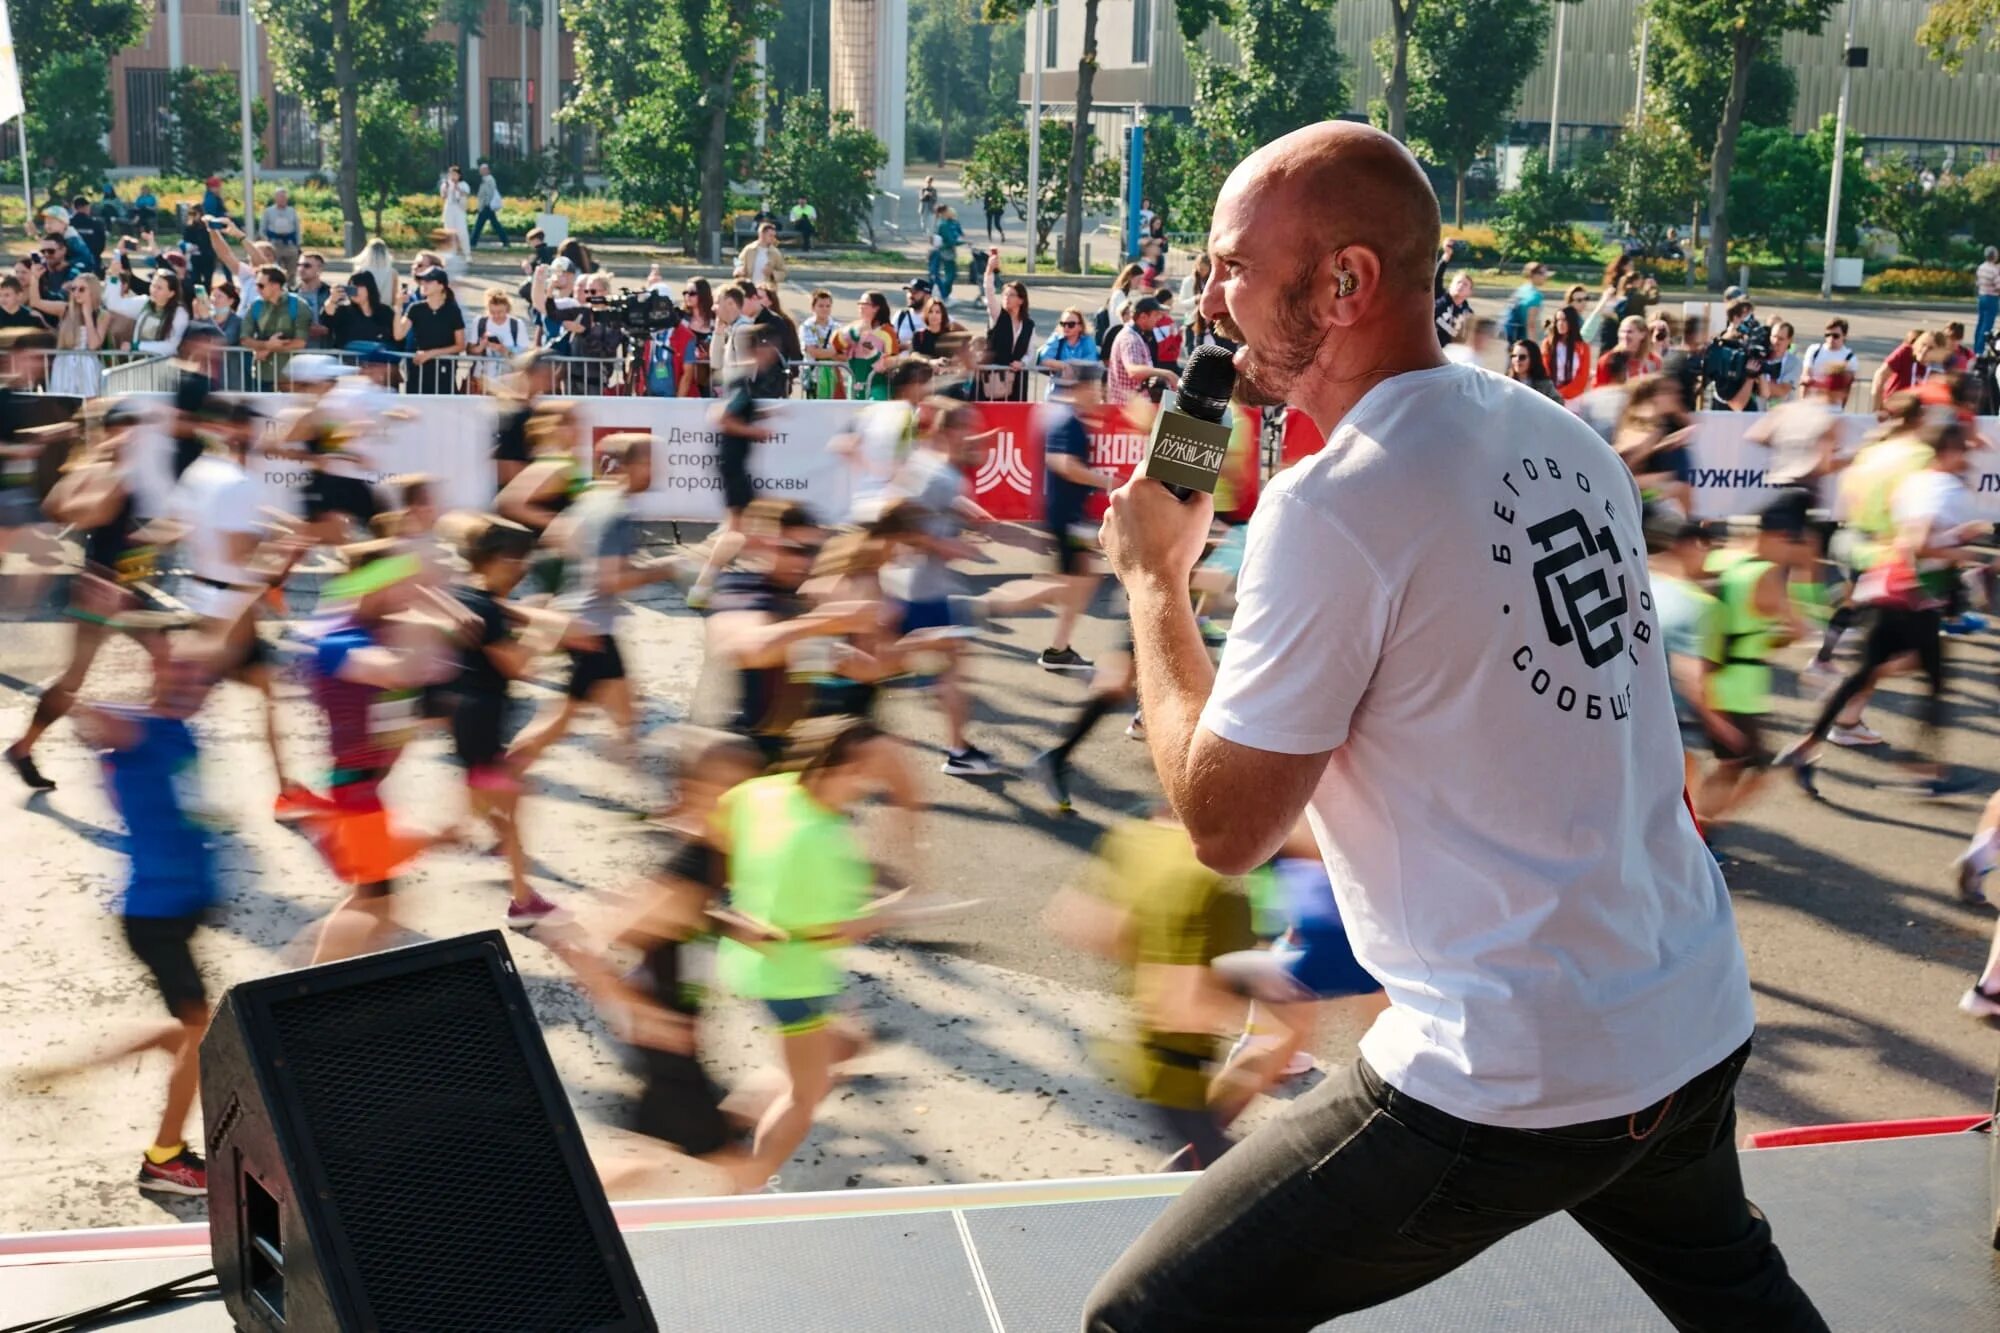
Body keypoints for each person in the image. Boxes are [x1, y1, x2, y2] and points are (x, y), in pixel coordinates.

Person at [1086, 120, 1824, 1333]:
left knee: (1140, 1322)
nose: (1207, 298)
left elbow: (1223, 825)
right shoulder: (1555, 432)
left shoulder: (1333, 508)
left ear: (1345, 282)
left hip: (1507, 1069)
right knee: (1738, 1297)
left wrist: (1152, 582)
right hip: (1684, 1006)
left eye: (1230, 265)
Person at [57, 626, 226, 1196]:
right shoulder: (136, 729)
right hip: (152, 916)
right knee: (198, 1036)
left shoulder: (181, 733)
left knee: (192, 1030)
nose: (192, 684)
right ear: (156, 674)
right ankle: (165, 1158)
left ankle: (150, 1111)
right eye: (180, 672)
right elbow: (73, 705)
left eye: (201, 677)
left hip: (178, 908)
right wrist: (92, 623)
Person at [717, 717, 914, 1186]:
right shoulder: (825, 842)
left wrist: (742, 893)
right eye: (865, 773)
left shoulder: (767, 791)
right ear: (837, 768)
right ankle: (747, 1185)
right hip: (795, 981)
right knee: (807, 1093)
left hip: (749, 961)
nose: (869, 786)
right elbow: (837, 932)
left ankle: (720, 1128)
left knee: (846, 1044)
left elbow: (721, 822)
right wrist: (900, 909)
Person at [1047, 807, 1258, 1170]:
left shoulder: (1136, 836)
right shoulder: (1206, 878)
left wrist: (1148, 950)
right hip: (1179, 1077)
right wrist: (1266, 991)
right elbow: (1178, 1008)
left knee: (1213, 1168)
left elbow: (1078, 921)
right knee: (1236, 1181)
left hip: (1138, 1059)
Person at [1780, 420, 1980, 801]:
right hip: (1910, 596)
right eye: (1964, 450)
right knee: (1933, 679)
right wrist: (1962, 551)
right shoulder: (1942, 488)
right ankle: (1925, 771)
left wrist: (1956, 537)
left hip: (1890, 586)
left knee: (1870, 674)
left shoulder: (1916, 483)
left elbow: (1908, 535)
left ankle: (1804, 748)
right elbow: (1917, 544)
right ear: (1950, 452)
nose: (1968, 457)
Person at [507, 435, 683, 774]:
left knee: (627, 713)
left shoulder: (590, 499)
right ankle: (498, 774)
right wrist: (667, 568)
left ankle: (637, 781)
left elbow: (557, 541)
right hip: (591, 630)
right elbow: (611, 580)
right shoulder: (616, 510)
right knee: (560, 721)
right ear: (630, 466)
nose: (657, 469)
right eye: (650, 461)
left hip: (585, 623)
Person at [1696, 494, 1815, 828]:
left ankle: (1697, 831)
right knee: (1755, 771)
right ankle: (1700, 833)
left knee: (1727, 765)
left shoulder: (1725, 559)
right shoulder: (1766, 576)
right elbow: (1797, 630)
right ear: (1779, 537)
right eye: (1793, 542)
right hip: (1738, 689)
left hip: (1706, 675)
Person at [1039, 364, 1115, 673]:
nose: (1100, 395)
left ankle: (1059, 648)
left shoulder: (1074, 420)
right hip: (1066, 518)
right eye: (1096, 389)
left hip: (1072, 516)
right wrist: (1106, 482)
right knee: (1073, 582)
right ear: (1082, 388)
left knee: (1081, 579)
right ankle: (988, 607)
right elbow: (1062, 464)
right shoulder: (1067, 422)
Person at [394, 266, 466, 394]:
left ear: (441, 286)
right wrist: (398, 306)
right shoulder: (415, 308)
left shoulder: (452, 310)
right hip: (418, 371)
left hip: (444, 372)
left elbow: (460, 345)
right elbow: (399, 335)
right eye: (422, 281)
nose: (423, 284)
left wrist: (430, 353)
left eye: (429, 281)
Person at [240, 264, 312, 390]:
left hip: (292, 377)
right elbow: (244, 338)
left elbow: (300, 342)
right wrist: (266, 345)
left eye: (261, 285)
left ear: (275, 285)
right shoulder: (255, 306)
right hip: (262, 375)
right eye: (256, 285)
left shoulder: (299, 305)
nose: (257, 289)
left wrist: (269, 349)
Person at [1106, 297, 1179, 406]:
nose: (1159, 318)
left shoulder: (1135, 334)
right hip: (1128, 409)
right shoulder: (1130, 339)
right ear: (1143, 316)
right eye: (1156, 315)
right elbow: (1133, 371)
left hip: (1133, 408)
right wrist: (1168, 374)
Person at [982, 266, 1036, 401]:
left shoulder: (1029, 325)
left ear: (1021, 300)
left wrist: (1022, 363)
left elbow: (1031, 352)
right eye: (1005, 294)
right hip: (993, 380)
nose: (1006, 298)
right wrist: (989, 271)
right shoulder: (998, 316)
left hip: (1017, 381)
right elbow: (989, 294)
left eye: (1011, 295)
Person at [50, 272, 107, 396]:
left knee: (89, 405)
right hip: (63, 365)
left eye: (82, 289)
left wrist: (87, 315)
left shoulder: (102, 314)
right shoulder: (67, 310)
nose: (76, 293)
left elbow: (93, 345)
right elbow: (36, 302)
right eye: (73, 288)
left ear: (92, 291)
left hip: (88, 365)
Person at [835, 292, 900, 400]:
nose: (860, 306)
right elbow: (836, 346)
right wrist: (851, 334)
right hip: (856, 383)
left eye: (864, 303)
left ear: (875, 308)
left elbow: (892, 359)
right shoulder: (853, 327)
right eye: (859, 303)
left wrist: (874, 354)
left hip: (877, 384)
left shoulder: (887, 332)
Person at [323, 270, 395, 351]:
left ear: (369, 288)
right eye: (352, 287)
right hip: (347, 360)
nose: (355, 290)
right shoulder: (343, 310)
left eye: (359, 286)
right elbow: (327, 317)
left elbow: (396, 338)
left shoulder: (385, 312)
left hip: (378, 360)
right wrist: (332, 300)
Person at [1872, 328, 1939, 412]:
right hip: (1892, 414)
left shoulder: (1938, 367)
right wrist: (1877, 409)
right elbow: (1880, 376)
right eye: (1923, 345)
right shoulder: (1906, 352)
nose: (1925, 350)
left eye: (1931, 348)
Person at [799, 288, 843, 399]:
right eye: (821, 306)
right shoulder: (807, 327)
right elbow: (813, 352)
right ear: (813, 307)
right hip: (813, 376)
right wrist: (833, 352)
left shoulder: (837, 328)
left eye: (828, 306)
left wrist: (826, 353)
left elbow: (844, 355)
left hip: (833, 376)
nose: (825, 309)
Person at [1543, 304, 1592, 400]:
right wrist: (1553, 393)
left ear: (1572, 322)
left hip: (1574, 397)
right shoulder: (1548, 344)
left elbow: (1582, 377)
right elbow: (1544, 371)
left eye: (1564, 320)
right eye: (1558, 320)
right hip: (1550, 396)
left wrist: (1562, 393)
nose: (1560, 323)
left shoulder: (1583, 347)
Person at [1499, 259, 1548, 345]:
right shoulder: (1535, 296)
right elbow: (1531, 324)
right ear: (1534, 275)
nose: (1546, 277)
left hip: (1512, 337)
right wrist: (1533, 346)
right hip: (1524, 339)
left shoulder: (1521, 289)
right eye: (1543, 273)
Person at [1038, 306, 1101, 370]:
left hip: (1082, 378)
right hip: (1058, 378)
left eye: (1071, 324)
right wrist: (1065, 366)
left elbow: (1091, 362)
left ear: (1081, 326)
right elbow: (1044, 359)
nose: (1066, 327)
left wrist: (1071, 366)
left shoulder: (1087, 340)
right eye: (1063, 324)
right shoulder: (1056, 338)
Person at [734, 220, 789, 288]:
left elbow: (783, 272)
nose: (773, 238)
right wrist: (740, 269)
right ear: (761, 235)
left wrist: (772, 273)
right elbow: (738, 261)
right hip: (749, 289)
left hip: (767, 291)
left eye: (774, 236)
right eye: (770, 235)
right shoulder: (749, 249)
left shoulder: (775, 253)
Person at [261, 187, 301, 276]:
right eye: (280, 197)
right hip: (274, 244)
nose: (282, 199)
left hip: (289, 243)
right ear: (275, 198)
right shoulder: (268, 211)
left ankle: (291, 286)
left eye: (284, 197)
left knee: (292, 270)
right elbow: (262, 229)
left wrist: (298, 244)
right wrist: (267, 244)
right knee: (274, 270)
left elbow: (297, 228)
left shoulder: (292, 211)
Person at [928, 205, 965, 301]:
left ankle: (941, 294)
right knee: (948, 274)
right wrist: (962, 242)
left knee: (939, 274)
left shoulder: (946, 222)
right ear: (944, 213)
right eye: (948, 210)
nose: (951, 211)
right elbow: (950, 240)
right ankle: (943, 294)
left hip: (944, 251)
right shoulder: (943, 224)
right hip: (944, 252)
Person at [471, 162, 509, 249]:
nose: (481, 171)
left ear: (487, 170)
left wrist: (485, 204)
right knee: (495, 224)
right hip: (487, 206)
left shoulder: (489, 179)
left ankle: (472, 242)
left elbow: (489, 193)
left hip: (486, 206)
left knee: (479, 225)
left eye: (482, 170)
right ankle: (505, 241)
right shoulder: (486, 179)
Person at [439, 165, 472, 261]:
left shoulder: (463, 184)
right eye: (451, 174)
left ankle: (467, 254)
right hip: (449, 209)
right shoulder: (445, 184)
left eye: (455, 174)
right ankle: (451, 253)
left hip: (459, 209)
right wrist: (446, 188)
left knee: (462, 232)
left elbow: (466, 194)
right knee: (449, 232)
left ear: (459, 175)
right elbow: (443, 196)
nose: (453, 176)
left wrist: (457, 187)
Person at [1433, 270, 1472, 347]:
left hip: (1451, 353)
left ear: (1469, 292)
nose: (1461, 285)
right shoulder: (1439, 303)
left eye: (1465, 284)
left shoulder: (1468, 314)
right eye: (1458, 282)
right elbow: (1436, 278)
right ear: (1450, 286)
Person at [892, 278, 932, 346]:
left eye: (915, 292)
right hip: (902, 356)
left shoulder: (936, 315)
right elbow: (889, 341)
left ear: (927, 296)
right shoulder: (901, 315)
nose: (910, 295)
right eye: (909, 292)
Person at [1976, 244, 2000, 358]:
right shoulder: (1994, 270)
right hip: (1992, 298)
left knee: (1980, 323)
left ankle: (1977, 348)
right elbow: (1998, 286)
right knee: (1987, 326)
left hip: (1982, 296)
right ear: (1994, 256)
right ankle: (1981, 351)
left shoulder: (1981, 267)